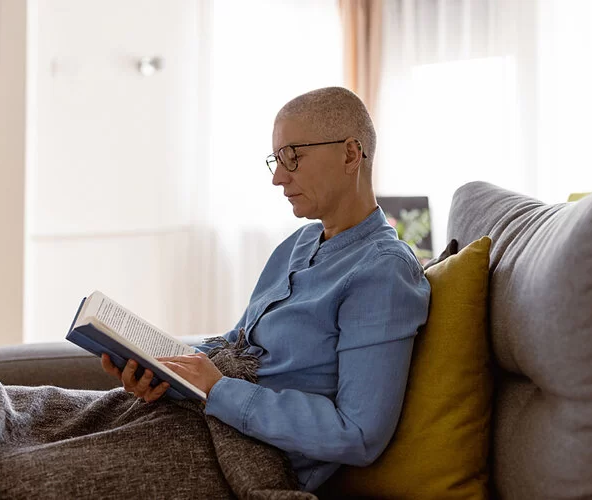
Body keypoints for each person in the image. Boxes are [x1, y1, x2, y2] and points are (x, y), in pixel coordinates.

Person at [101, 86, 431, 492]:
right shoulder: (297, 244)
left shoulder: (383, 272)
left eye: (293, 157)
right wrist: (163, 368)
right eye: (277, 160)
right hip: (198, 421)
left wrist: (219, 390)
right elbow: (234, 345)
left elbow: (358, 434)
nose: (278, 177)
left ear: (350, 154)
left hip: (243, 457)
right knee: (5, 404)